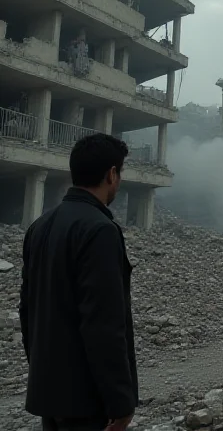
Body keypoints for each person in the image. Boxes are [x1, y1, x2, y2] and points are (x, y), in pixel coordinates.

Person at [19, 134, 137, 431]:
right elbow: (103, 325)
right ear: (112, 174)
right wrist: (120, 402)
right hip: (87, 401)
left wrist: (43, 373)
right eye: (119, 174)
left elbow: (27, 310)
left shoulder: (39, 226)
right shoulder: (100, 230)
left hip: (50, 394)